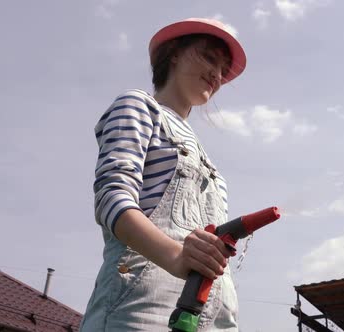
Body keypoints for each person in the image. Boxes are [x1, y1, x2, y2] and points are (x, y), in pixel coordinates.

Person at [80, 18, 247, 331]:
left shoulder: (211, 166)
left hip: (213, 319)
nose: (217, 74)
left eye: (223, 68)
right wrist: (176, 256)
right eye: (209, 58)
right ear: (174, 53)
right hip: (142, 311)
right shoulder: (139, 107)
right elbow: (111, 198)